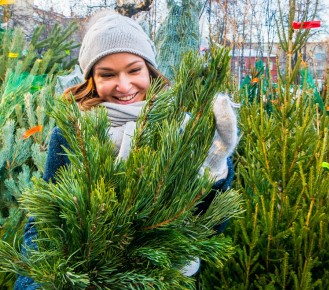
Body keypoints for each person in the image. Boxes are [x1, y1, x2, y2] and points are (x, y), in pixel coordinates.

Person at [14, 10, 238, 289]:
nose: (123, 85)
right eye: (107, 74)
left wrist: (214, 167)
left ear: (150, 70)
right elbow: (44, 222)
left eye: (134, 70)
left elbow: (208, 227)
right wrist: (35, 284)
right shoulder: (74, 131)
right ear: (91, 79)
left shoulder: (179, 128)